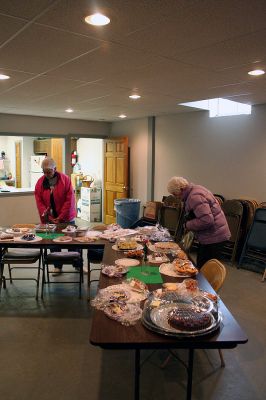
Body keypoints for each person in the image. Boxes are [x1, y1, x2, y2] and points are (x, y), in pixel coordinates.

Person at [167, 176, 230, 268]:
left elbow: (207, 220)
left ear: (180, 189)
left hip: (214, 236)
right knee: (203, 265)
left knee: (204, 268)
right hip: (214, 234)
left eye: (175, 194)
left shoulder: (194, 197)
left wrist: (188, 225)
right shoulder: (195, 190)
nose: (176, 197)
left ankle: (205, 283)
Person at [35, 157, 82, 274]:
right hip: (50, 218)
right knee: (54, 242)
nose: (46, 174)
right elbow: (39, 201)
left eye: (49, 172)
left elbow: (69, 200)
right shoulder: (40, 183)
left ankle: (77, 265)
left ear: (55, 169)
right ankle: (58, 266)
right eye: (44, 172)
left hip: (66, 216)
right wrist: (49, 217)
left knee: (72, 242)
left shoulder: (65, 179)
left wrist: (60, 217)